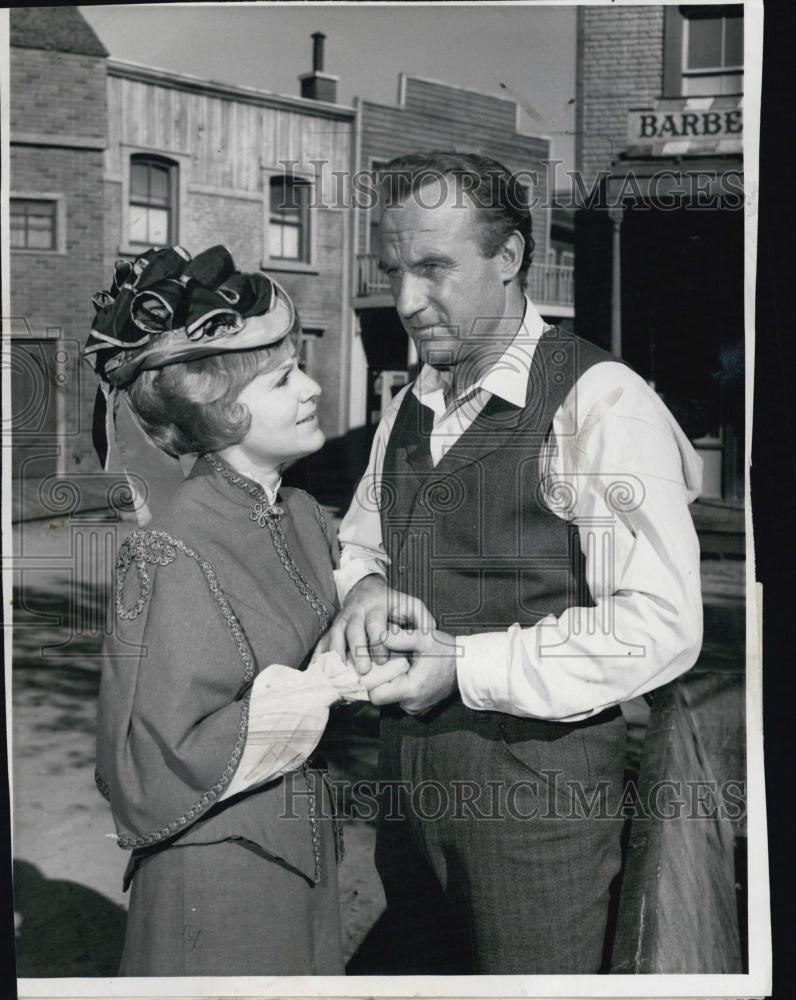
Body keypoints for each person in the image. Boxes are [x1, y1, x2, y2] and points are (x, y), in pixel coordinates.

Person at [329, 151, 704, 974]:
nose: (404, 301)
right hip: (408, 798)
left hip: (540, 818)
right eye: (392, 269)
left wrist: (461, 667)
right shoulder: (409, 405)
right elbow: (360, 538)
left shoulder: (602, 401)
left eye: (433, 268)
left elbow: (663, 625)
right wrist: (363, 586)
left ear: (510, 258)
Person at [87, 245, 387, 976]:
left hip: (299, 854)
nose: (313, 389)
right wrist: (327, 680)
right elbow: (155, 762)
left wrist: (370, 593)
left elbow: (348, 570)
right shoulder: (169, 550)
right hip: (218, 878)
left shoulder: (300, 513)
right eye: (285, 378)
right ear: (218, 410)